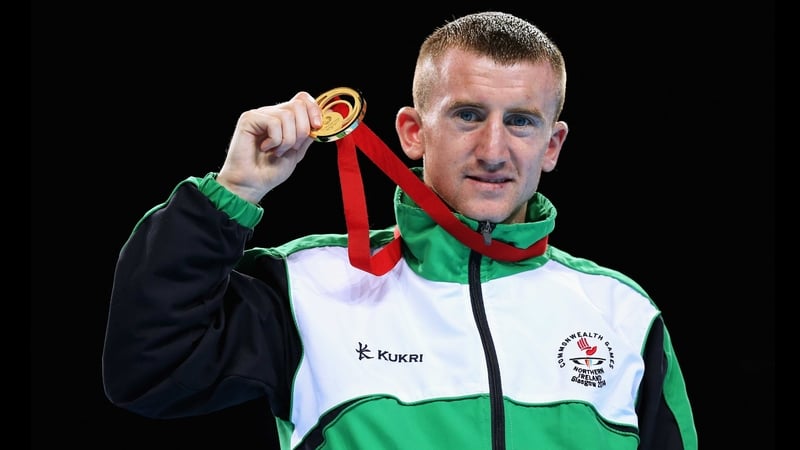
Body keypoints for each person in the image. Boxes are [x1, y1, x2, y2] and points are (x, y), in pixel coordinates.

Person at [102, 11, 698, 450]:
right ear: (413, 131)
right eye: (468, 115)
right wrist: (234, 190)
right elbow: (149, 366)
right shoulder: (311, 288)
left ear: (553, 144)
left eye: (520, 121)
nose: (494, 149)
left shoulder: (622, 313)